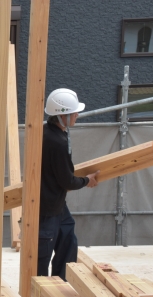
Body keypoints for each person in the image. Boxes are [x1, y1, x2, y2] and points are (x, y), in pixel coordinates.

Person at [38, 88, 100, 280]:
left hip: (56, 205)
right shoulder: (57, 142)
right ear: (62, 115)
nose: (77, 115)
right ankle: (39, 295)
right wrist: (86, 180)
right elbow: (67, 180)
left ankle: (61, 284)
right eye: (74, 113)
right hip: (47, 209)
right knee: (41, 258)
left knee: (68, 242)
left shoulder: (47, 132)